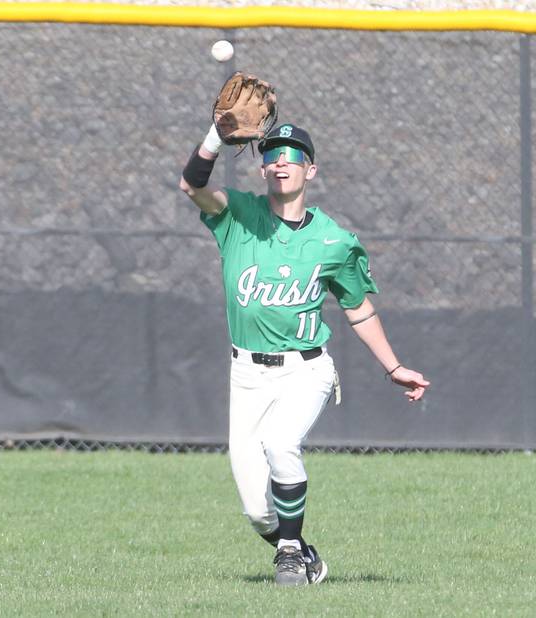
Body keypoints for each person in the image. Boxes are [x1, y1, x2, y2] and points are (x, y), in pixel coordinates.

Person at [178, 121, 430, 586]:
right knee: (257, 512)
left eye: (292, 156)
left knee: (280, 443)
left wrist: (393, 366)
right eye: (272, 155)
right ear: (263, 169)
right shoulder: (238, 216)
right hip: (247, 375)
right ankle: (302, 552)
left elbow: (359, 310)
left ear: (309, 170)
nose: (280, 162)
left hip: (305, 369)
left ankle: (290, 554)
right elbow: (192, 185)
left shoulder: (333, 242)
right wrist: (216, 135)